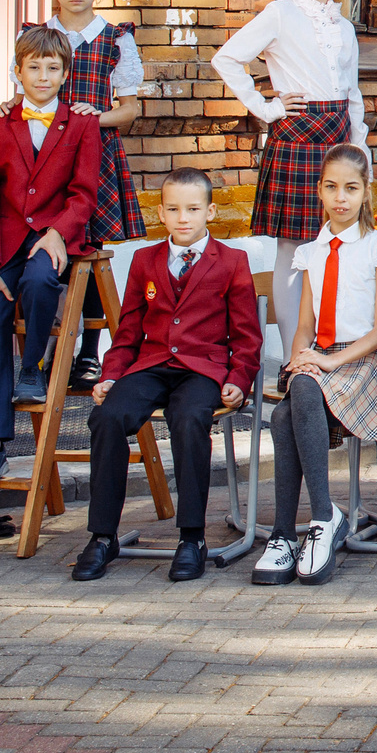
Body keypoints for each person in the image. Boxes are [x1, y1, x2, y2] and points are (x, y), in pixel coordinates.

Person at [73, 170, 257, 584]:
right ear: (160, 212)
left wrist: (238, 380)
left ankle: (191, 538)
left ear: (210, 210)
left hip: (203, 370)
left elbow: (247, 336)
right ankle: (103, 536)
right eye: (173, 209)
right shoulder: (144, 260)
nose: (183, 217)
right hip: (151, 365)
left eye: (193, 209)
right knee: (106, 417)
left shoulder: (232, 261)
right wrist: (110, 375)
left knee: (189, 420)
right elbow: (128, 332)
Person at [212, 0, 366, 359]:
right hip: (297, 135)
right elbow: (227, 59)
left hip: (338, 137)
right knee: (292, 249)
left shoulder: (345, 26)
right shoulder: (279, 13)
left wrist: (358, 146)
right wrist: (266, 108)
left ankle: (328, 345)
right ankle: (290, 354)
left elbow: (351, 91)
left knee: (332, 245)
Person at [254, 146, 377, 588]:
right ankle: (310, 523)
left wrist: (326, 361)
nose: (341, 197)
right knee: (293, 397)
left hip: (364, 359)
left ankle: (306, 524)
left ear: (365, 192)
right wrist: (301, 356)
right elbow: (303, 325)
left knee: (290, 406)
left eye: (351, 188)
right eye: (332, 187)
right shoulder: (309, 252)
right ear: (318, 190)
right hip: (320, 358)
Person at [0, 26, 100, 498]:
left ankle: (34, 368)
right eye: (33, 68)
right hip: (4, 242)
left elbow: (85, 193)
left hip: (53, 238)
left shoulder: (82, 123)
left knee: (41, 282)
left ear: (66, 73)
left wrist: (59, 233)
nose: (42, 76)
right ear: (17, 72)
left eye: (52, 68)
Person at [37, 0, 147, 256]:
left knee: (87, 245)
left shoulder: (116, 39)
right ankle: (51, 309)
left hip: (93, 154)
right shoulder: (36, 36)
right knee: (43, 236)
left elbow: (129, 110)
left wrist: (90, 119)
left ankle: (88, 311)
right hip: (45, 152)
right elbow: (25, 102)